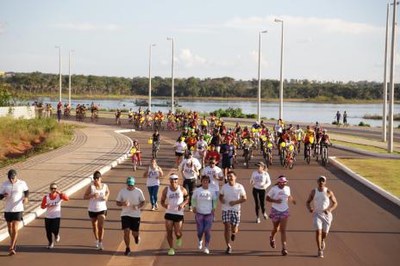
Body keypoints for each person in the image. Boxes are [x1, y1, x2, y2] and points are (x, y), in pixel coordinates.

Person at [306, 176, 338, 258]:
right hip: (317, 214)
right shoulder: (314, 191)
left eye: (323, 181)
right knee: (318, 232)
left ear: (325, 182)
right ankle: (320, 250)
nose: (321, 182)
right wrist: (310, 208)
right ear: (317, 181)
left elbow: (335, 203)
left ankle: (323, 240)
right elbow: (308, 202)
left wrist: (329, 209)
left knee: (324, 234)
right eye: (320, 181)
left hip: (327, 215)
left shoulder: (328, 192)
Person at [0, 169, 29, 256]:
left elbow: (26, 191)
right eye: (10, 178)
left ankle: (12, 247)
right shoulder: (4, 184)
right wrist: (2, 195)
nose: (11, 180)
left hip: (18, 209)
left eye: (13, 178)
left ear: (16, 176)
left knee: (15, 228)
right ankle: (14, 241)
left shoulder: (22, 183)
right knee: (9, 228)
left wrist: (26, 197)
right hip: (8, 209)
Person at [266, 175, 296, 256]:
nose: (283, 184)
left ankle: (284, 248)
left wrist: (292, 200)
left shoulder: (287, 188)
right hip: (275, 210)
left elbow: (289, 196)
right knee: (276, 229)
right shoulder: (274, 189)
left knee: (283, 230)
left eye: (284, 182)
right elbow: (267, 198)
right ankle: (272, 237)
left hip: (285, 210)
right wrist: (275, 201)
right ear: (278, 182)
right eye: (281, 182)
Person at [160, 173, 189, 256]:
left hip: (179, 214)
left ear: (178, 180)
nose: (174, 181)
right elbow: (162, 201)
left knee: (178, 233)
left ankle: (179, 238)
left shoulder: (182, 189)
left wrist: (183, 204)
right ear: (169, 180)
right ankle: (171, 248)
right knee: (169, 232)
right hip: (169, 213)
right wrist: (165, 205)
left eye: (175, 179)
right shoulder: (166, 190)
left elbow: (187, 198)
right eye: (172, 179)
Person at [116, 177, 146, 256]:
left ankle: (136, 237)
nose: (130, 186)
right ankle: (127, 248)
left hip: (135, 215)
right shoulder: (122, 191)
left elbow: (143, 202)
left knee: (134, 232)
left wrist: (138, 206)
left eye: (131, 185)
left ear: (134, 184)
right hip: (125, 214)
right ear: (127, 184)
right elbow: (117, 202)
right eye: (129, 185)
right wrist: (123, 204)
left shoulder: (138, 191)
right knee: (126, 231)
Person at [219, 170, 247, 254]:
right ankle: (228, 246)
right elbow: (220, 196)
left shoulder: (240, 187)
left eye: (231, 176)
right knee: (227, 226)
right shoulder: (224, 187)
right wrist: (222, 200)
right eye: (228, 176)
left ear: (235, 177)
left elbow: (245, 198)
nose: (229, 178)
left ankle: (234, 233)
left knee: (234, 227)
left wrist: (235, 202)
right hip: (226, 209)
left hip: (236, 209)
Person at [83, 171, 110, 250]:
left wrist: (106, 197)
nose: (96, 180)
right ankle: (97, 240)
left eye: (97, 178)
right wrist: (92, 195)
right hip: (92, 209)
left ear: (100, 178)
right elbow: (84, 196)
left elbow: (108, 192)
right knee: (94, 226)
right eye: (94, 178)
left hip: (102, 209)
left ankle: (101, 242)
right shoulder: (91, 187)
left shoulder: (105, 186)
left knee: (100, 226)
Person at [191, 175, 218, 254]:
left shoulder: (212, 191)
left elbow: (215, 200)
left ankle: (206, 247)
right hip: (199, 213)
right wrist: (194, 206)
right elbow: (193, 199)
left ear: (208, 182)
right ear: (201, 181)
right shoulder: (197, 191)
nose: (205, 182)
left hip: (209, 213)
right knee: (200, 231)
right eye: (204, 181)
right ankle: (200, 240)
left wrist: (214, 208)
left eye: (207, 181)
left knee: (207, 230)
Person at [40, 182, 69, 249]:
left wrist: (61, 193)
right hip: (48, 216)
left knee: (54, 229)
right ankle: (50, 242)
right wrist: (47, 205)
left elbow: (67, 199)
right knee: (48, 231)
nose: (53, 190)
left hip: (56, 216)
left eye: (55, 188)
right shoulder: (46, 197)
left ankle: (56, 235)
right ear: (50, 189)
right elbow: (42, 206)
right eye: (52, 188)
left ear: (57, 189)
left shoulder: (59, 196)